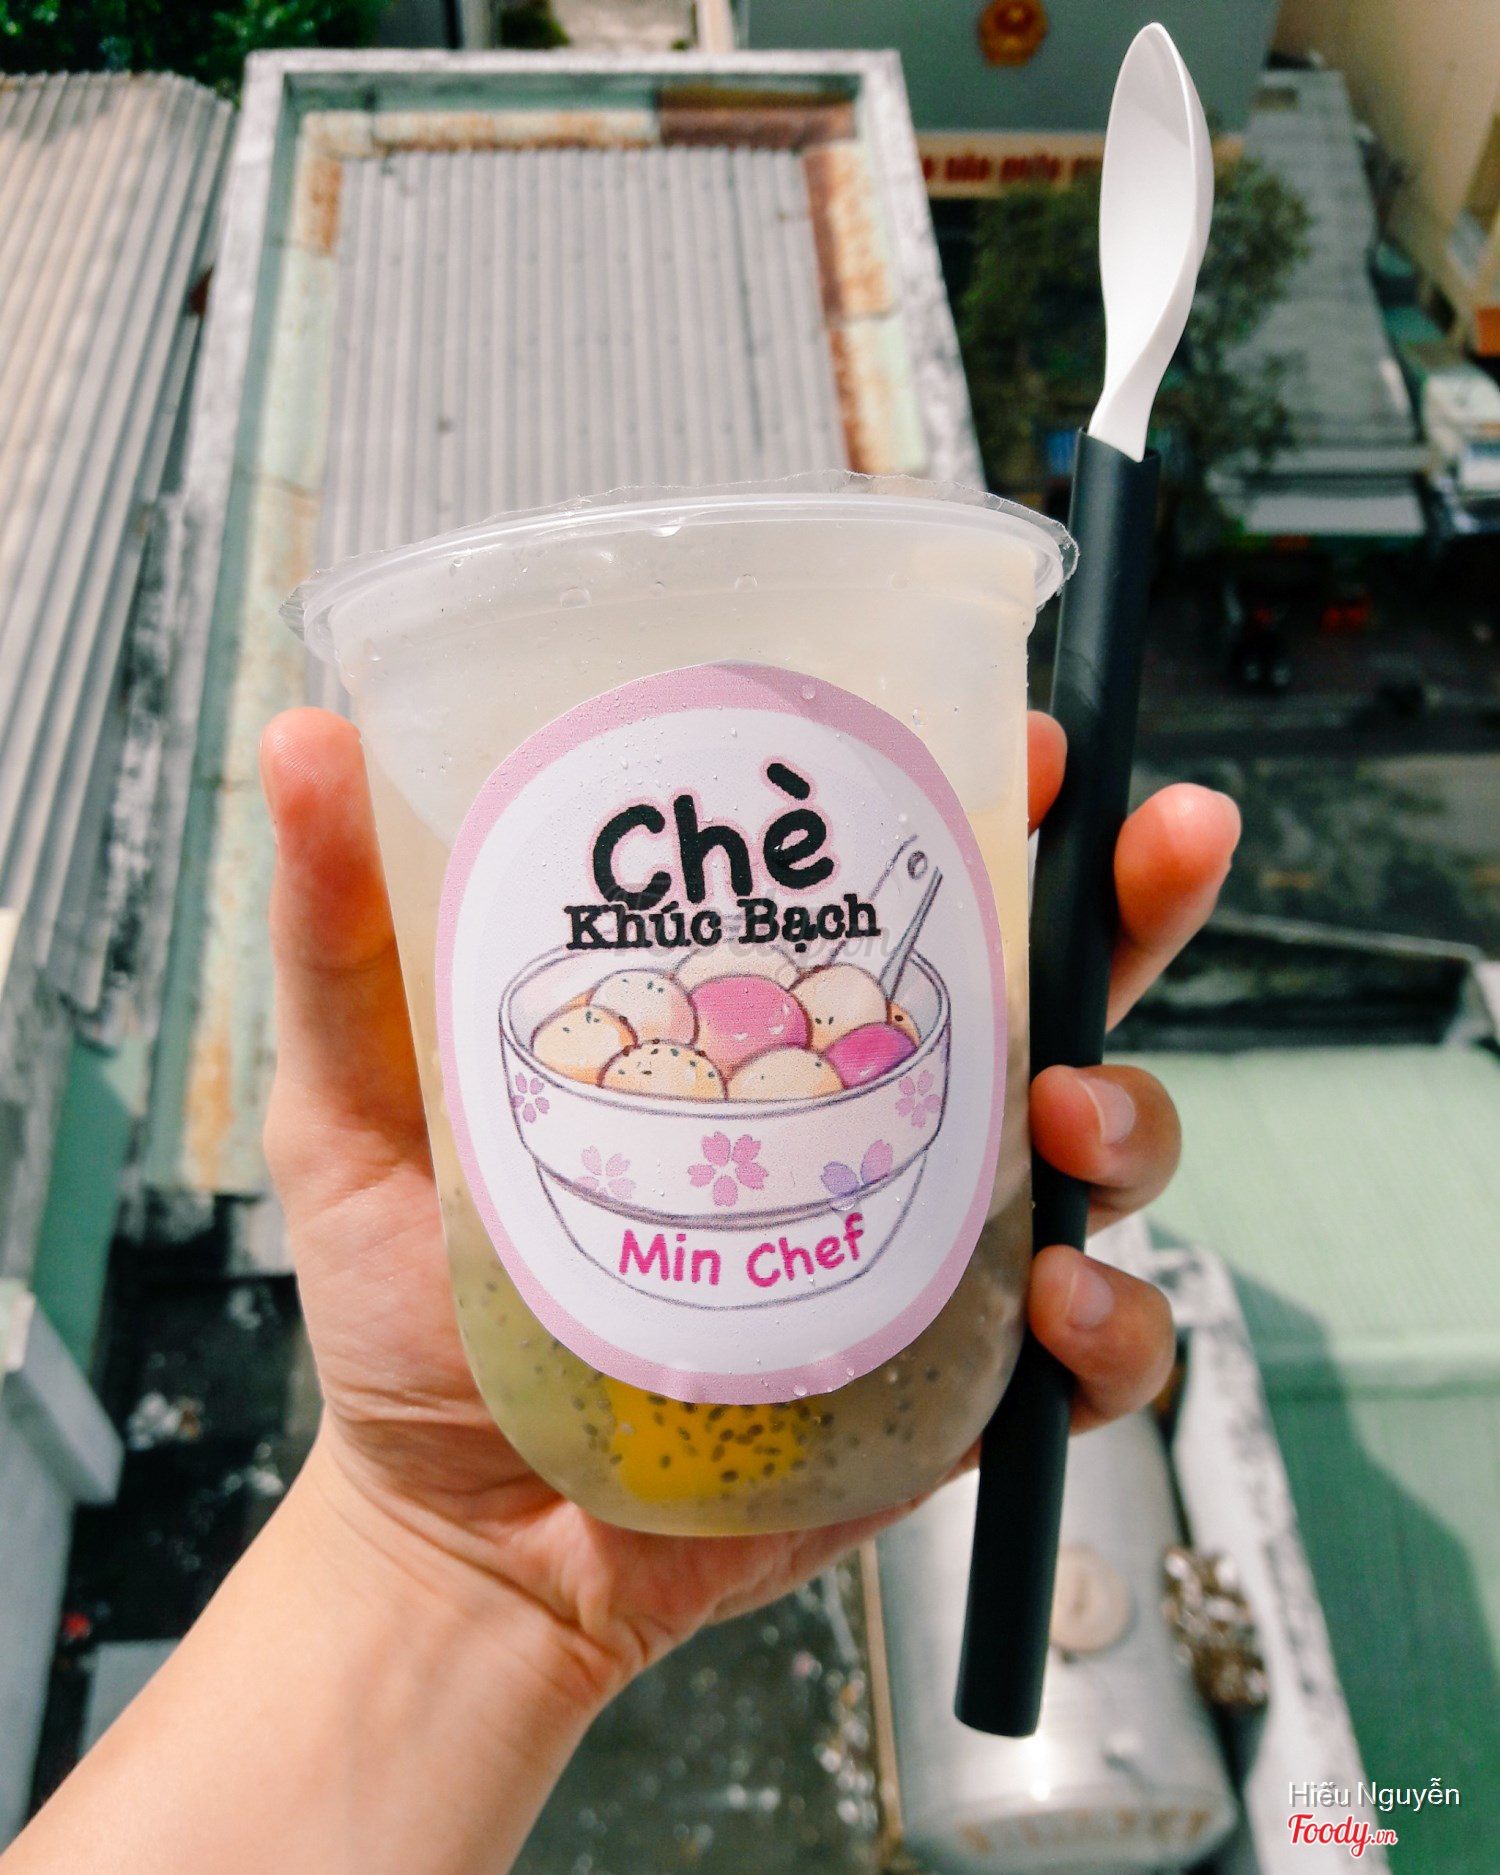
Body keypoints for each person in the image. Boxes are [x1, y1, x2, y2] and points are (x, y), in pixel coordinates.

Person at [5, 708, 1240, 1875]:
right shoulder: (597, 1048)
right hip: (545, 1441)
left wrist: (433, 1570)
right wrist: (433, 1552)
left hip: (874, 1337)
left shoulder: (836, 1030)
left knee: (1050, 1105)